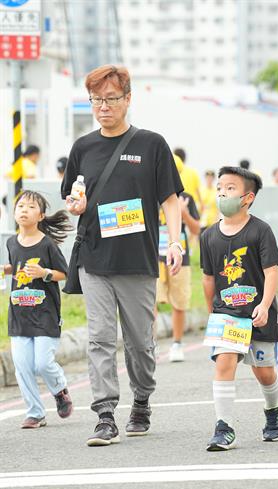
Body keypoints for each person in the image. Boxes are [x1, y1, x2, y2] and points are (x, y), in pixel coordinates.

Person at [61, 64, 183, 447]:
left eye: (111, 99)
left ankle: (142, 399)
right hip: (95, 259)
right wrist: (75, 206)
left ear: (128, 99)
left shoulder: (151, 144)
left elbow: (170, 200)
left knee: (139, 343)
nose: (103, 107)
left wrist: (174, 242)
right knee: (98, 338)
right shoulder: (83, 147)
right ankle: (105, 414)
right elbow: (73, 197)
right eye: (96, 100)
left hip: (138, 260)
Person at [200, 166, 278, 451]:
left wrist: (264, 304)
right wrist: (212, 310)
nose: (222, 192)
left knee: (264, 372)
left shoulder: (261, 230)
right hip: (226, 313)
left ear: (247, 198)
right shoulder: (208, 235)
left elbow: (271, 271)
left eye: (230, 188)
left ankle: (273, 411)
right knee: (225, 362)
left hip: (259, 312)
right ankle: (224, 427)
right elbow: (209, 277)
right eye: (220, 187)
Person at [4, 190, 73, 429]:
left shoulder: (48, 245)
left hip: (45, 314)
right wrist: (8, 270)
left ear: (41, 215)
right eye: (21, 206)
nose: (24, 210)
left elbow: (64, 273)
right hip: (19, 313)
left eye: (31, 207)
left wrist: (44, 273)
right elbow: (19, 265)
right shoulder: (11, 242)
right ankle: (35, 412)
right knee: (22, 366)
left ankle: (59, 389)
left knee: (42, 363)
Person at [156, 192, 200, 362]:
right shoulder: (150, 193)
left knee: (179, 301)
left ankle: (177, 343)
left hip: (179, 257)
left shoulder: (186, 197)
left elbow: (196, 229)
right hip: (155, 256)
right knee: (150, 302)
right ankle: (151, 344)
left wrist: (184, 212)